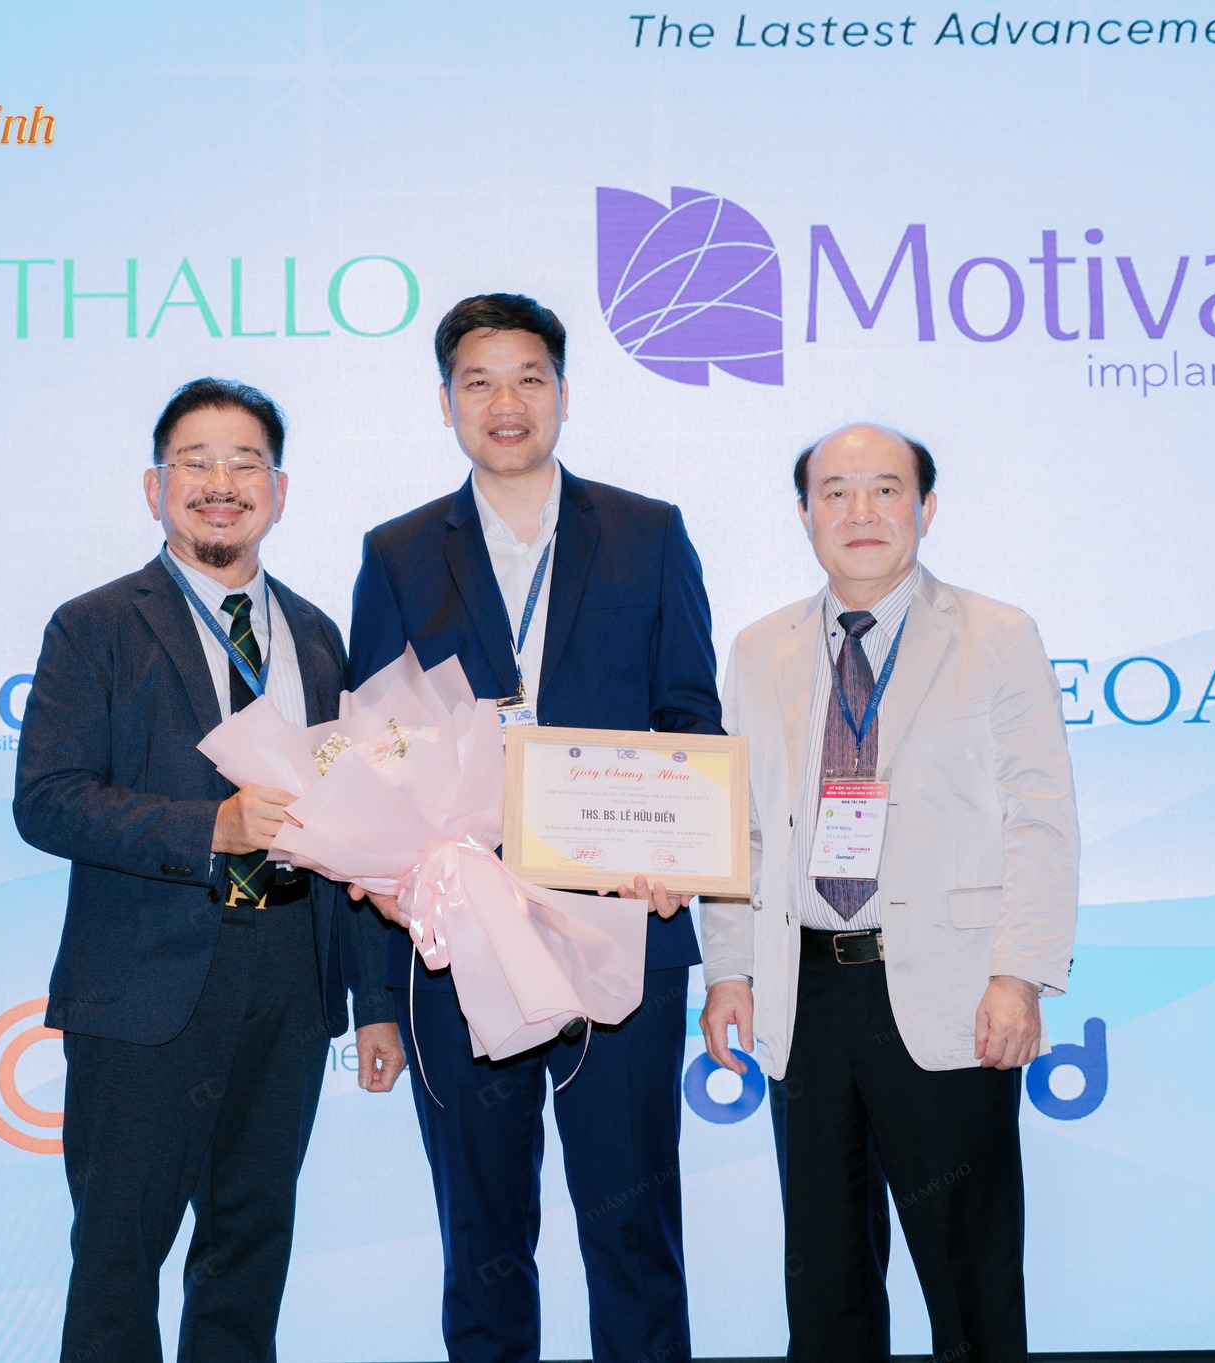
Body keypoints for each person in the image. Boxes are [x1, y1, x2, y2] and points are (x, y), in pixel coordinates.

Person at [346, 294, 720, 1363]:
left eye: (528, 379)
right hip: (457, 941)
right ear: (446, 402)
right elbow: (371, 754)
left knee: (633, 1236)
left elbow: (689, 715)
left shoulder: (647, 532)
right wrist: (377, 980)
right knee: (484, 1243)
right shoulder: (399, 551)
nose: (504, 403)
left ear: (562, 393)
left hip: (619, 927)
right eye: (478, 382)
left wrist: (674, 851)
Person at [13, 378, 405, 1363]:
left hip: (288, 981)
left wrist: (374, 1001)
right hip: (144, 988)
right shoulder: (94, 626)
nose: (220, 483)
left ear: (280, 491)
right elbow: (47, 799)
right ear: (155, 487)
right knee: (118, 1262)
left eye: (245, 463)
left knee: (248, 1255)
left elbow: (357, 824)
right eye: (196, 461)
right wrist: (210, 828)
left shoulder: (316, 635)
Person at [699, 423, 1079, 1363]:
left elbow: (1041, 819)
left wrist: (1019, 976)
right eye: (835, 492)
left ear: (926, 507)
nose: (859, 511)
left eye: (884, 489)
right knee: (825, 1282)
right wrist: (730, 972)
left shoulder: (997, 636)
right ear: (804, 515)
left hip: (952, 988)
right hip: (806, 992)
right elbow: (741, 831)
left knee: (970, 1280)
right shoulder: (759, 649)